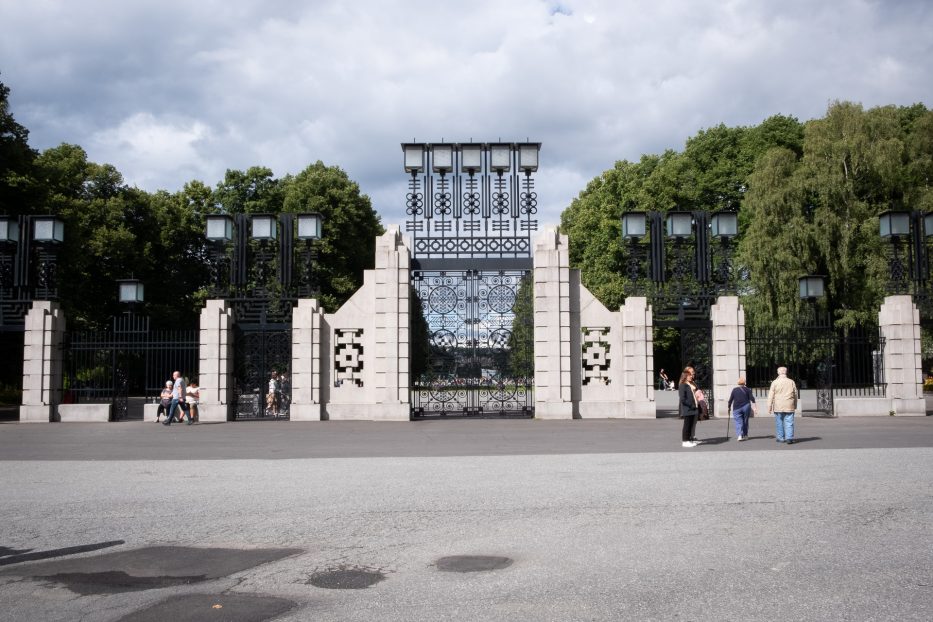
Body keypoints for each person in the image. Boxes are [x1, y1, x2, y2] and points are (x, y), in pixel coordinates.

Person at [768, 366, 799, 444]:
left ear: (778, 372)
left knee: (779, 422)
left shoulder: (775, 382)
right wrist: (795, 404)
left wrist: (769, 406)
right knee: (789, 421)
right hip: (789, 404)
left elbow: (771, 395)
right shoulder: (791, 381)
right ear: (786, 372)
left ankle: (781, 438)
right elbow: (795, 394)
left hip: (778, 405)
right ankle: (789, 438)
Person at [727, 377, 756, 441]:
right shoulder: (748, 389)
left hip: (737, 407)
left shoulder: (734, 390)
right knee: (745, 421)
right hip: (746, 406)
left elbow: (731, 399)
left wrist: (729, 407)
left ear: (738, 383)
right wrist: (755, 406)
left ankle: (740, 435)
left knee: (738, 422)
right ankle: (745, 435)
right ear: (745, 383)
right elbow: (752, 398)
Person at [678, 367, 701, 447]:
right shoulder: (683, 385)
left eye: (691, 375)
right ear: (685, 376)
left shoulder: (689, 384)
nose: (691, 376)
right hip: (688, 408)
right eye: (689, 375)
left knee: (691, 425)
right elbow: (683, 399)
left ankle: (689, 440)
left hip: (692, 408)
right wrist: (691, 405)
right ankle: (685, 441)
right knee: (687, 425)